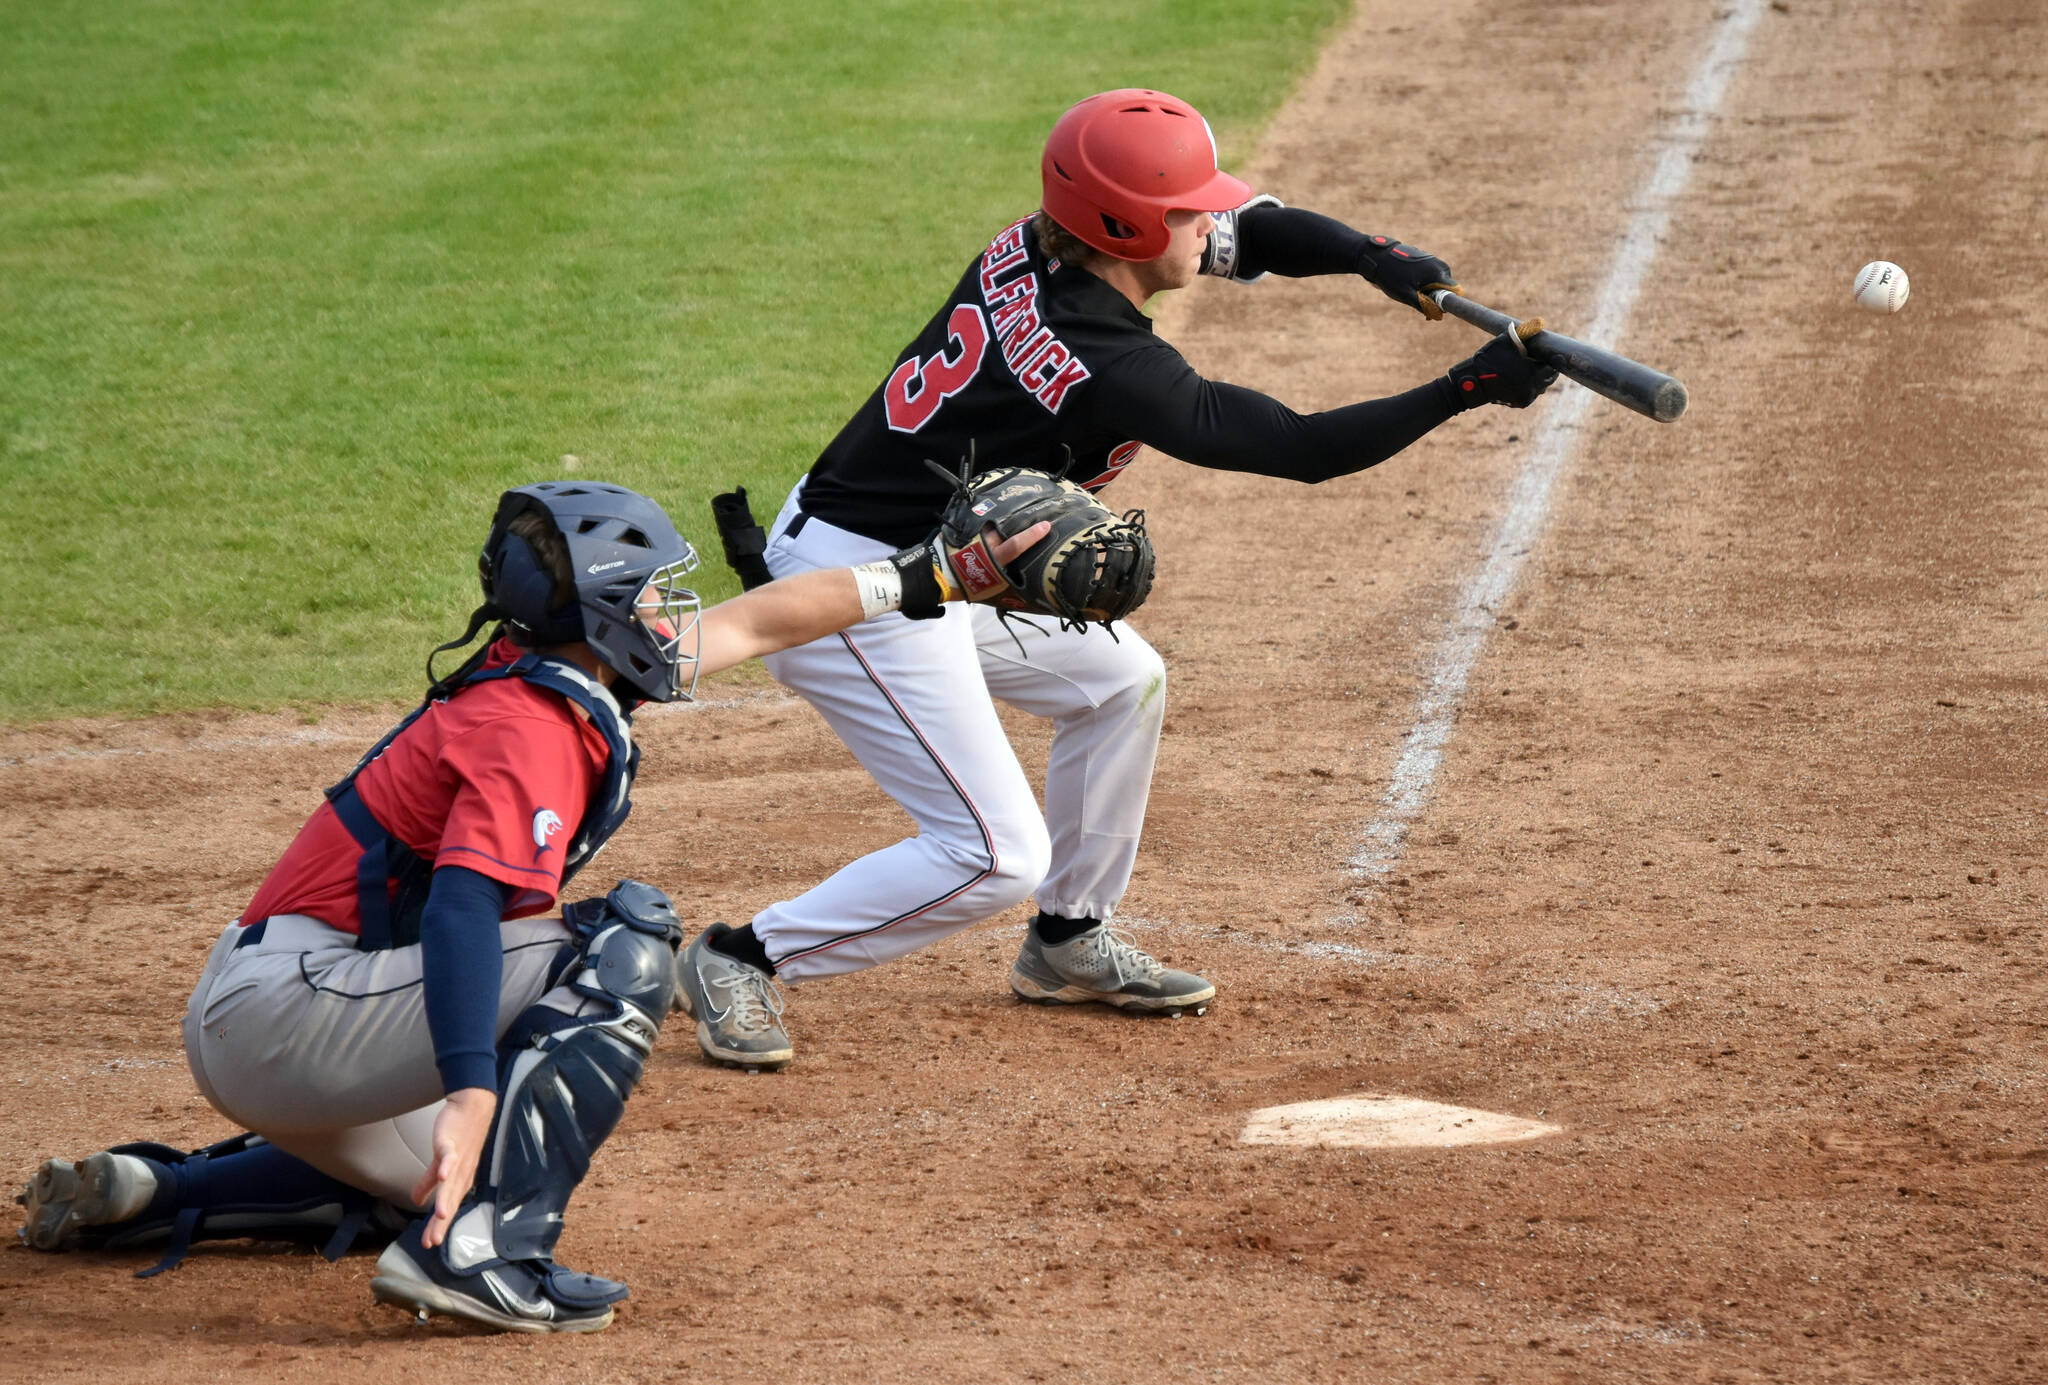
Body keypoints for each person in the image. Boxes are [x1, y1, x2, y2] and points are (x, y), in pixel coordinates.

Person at [16, 480, 1048, 1333]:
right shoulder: (531, 726)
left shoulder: (556, 667)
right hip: (292, 1008)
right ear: (602, 612)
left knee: (433, 1174)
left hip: (293, 1015)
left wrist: (930, 576)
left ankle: (157, 1193)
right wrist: (469, 1088)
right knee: (620, 942)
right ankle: (484, 1253)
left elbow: (757, 618)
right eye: (650, 594)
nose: (671, 613)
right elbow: (465, 905)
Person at [671, 88, 1558, 1071]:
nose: (1209, 223)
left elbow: (1256, 235)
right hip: (856, 587)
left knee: (1117, 679)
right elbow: (1301, 448)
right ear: (1130, 226)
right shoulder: (1114, 364)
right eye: (1186, 211)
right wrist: (1463, 388)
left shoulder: (1044, 244)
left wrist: (1366, 256)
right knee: (994, 852)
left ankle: (1064, 942)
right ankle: (741, 954)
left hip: (941, 564)